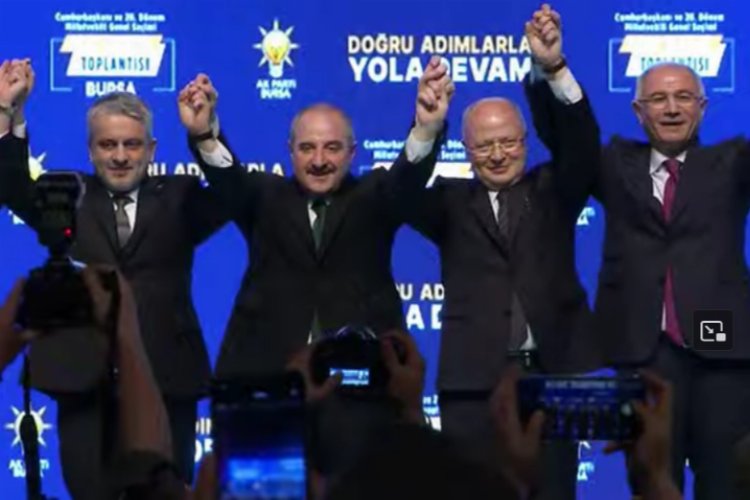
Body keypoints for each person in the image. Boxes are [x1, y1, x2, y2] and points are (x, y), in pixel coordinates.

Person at [524, 4, 750, 498]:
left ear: (703, 107)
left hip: (722, 352)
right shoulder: (613, 163)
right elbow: (569, 137)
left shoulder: (733, 161)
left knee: (727, 485)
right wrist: (553, 68)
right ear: (638, 111)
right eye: (659, 99)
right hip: (642, 351)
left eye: (684, 97)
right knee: (650, 482)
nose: (671, 108)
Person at [0, 59, 229, 497]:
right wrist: (10, 112)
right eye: (107, 145)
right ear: (90, 150)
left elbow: (237, 196)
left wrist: (204, 135)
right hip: (84, 378)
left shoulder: (180, 197)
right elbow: (9, 187)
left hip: (168, 379)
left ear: (152, 149)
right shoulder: (66, 195)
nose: (120, 156)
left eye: (132, 145)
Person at [396, 8, 600, 500]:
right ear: (466, 150)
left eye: (508, 142)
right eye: (485, 145)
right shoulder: (449, 202)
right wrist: (425, 129)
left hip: (551, 375)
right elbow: (398, 195)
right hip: (472, 384)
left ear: (525, 143)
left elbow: (582, 144)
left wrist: (553, 68)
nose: (498, 154)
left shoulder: (554, 190)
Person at [178, 57, 452, 378]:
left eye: (332, 148)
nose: (319, 161)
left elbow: (407, 177)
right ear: (291, 151)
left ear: (352, 153)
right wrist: (204, 135)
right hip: (268, 375)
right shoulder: (263, 195)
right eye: (307, 148)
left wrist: (426, 129)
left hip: (361, 375)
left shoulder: (375, 195)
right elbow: (227, 178)